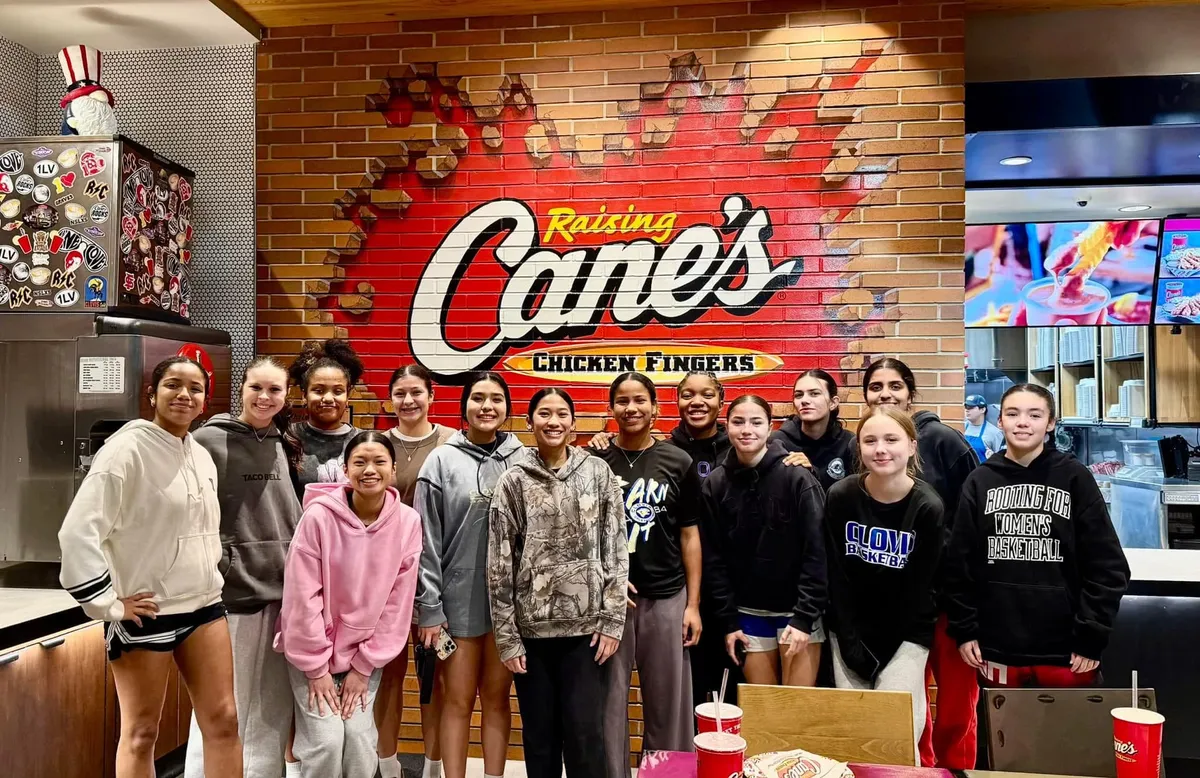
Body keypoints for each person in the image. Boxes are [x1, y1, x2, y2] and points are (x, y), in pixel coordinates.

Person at [59, 356, 243, 778]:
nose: (184, 395)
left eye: (194, 389)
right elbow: (76, 532)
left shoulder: (200, 454)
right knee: (142, 732)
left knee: (225, 721)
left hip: (204, 606)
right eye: (173, 385)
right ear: (152, 394)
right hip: (148, 612)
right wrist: (108, 605)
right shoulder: (125, 451)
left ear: (204, 400)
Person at [945, 384, 1130, 689]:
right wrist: (965, 630)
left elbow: (1108, 566)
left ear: (1051, 422)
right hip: (995, 647)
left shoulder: (1074, 478)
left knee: (1069, 735)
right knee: (1005, 736)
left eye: (1034, 414)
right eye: (1013, 413)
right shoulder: (980, 480)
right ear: (1000, 421)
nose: (1023, 422)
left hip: (1067, 651)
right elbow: (958, 567)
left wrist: (1091, 634)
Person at [488, 388, 628, 778]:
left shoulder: (597, 472)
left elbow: (616, 546)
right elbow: (499, 563)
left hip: (586, 633)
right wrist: (507, 636)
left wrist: (612, 619)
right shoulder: (513, 480)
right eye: (544, 413)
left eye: (562, 413)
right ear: (529, 422)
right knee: (539, 737)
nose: (554, 421)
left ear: (573, 422)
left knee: (585, 737)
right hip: (530, 636)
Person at [277, 431, 423, 778]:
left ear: (393, 468)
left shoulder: (407, 522)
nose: (369, 470)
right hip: (312, 653)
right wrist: (316, 668)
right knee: (325, 743)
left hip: (364, 655)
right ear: (345, 469)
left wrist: (363, 666)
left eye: (378, 462)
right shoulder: (318, 517)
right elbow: (302, 595)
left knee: (358, 740)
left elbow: (397, 604)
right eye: (359, 462)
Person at [184, 356, 304, 778]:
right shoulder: (207, 440)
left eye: (274, 390)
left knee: (270, 709)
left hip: (281, 595)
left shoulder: (280, 442)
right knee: (221, 708)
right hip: (230, 596)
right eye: (257, 388)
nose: (264, 397)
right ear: (242, 388)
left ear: (286, 396)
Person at [862, 357, 979, 769]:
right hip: (901, 604)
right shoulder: (863, 448)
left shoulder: (946, 442)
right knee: (909, 708)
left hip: (949, 602)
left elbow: (974, 522)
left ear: (911, 393)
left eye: (895, 386)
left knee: (955, 709)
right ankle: (918, 771)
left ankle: (957, 771)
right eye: (876, 387)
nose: (885, 394)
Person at [415, 371, 526, 778]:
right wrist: (430, 607)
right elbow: (425, 540)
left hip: (507, 607)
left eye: (496, 399)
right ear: (464, 406)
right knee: (457, 700)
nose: (486, 406)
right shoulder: (441, 460)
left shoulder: (523, 459)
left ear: (507, 408)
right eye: (478, 398)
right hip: (455, 606)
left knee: (497, 699)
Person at [594, 373, 702, 778]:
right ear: (612, 409)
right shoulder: (595, 461)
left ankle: (665, 774)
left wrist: (693, 605)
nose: (631, 408)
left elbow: (690, 535)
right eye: (622, 401)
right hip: (609, 601)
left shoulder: (678, 461)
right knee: (608, 702)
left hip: (667, 595)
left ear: (656, 408)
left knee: (667, 705)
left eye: (640, 400)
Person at [824, 406, 944, 751]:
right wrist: (849, 640)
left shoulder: (928, 507)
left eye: (891, 440)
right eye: (870, 440)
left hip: (905, 635)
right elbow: (836, 576)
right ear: (858, 448)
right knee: (854, 735)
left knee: (896, 736)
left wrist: (885, 654)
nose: (881, 449)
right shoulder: (841, 496)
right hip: (849, 630)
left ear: (911, 445)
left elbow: (921, 590)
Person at [701, 395, 827, 688]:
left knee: (796, 711)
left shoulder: (797, 477)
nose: (747, 430)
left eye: (756, 422)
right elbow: (713, 559)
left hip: (797, 614)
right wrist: (729, 621)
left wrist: (805, 618)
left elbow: (817, 552)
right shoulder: (716, 483)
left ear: (770, 428)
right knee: (763, 713)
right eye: (738, 422)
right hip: (749, 615)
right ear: (727, 427)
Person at [376, 364, 454, 778]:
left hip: (434, 580)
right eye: (400, 393)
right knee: (389, 675)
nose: (408, 401)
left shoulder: (451, 442)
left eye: (416, 393)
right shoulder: (376, 444)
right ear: (391, 398)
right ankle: (388, 766)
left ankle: (433, 766)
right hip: (384, 582)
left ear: (431, 395)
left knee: (433, 677)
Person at [288, 339, 364, 491]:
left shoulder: (364, 442)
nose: (328, 398)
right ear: (304, 395)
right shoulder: (288, 438)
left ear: (347, 397)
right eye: (318, 390)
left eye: (338, 391)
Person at [773, 369, 858, 492]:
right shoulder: (778, 442)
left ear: (833, 403)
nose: (804, 400)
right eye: (799, 395)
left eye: (814, 394)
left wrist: (812, 472)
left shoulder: (849, 443)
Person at [963, 395, 1005, 461]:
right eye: (966, 407)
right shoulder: (963, 427)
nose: (967, 410)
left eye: (971, 407)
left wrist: (993, 457)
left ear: (982, 409)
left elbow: (1001, 459)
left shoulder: (995, 433)